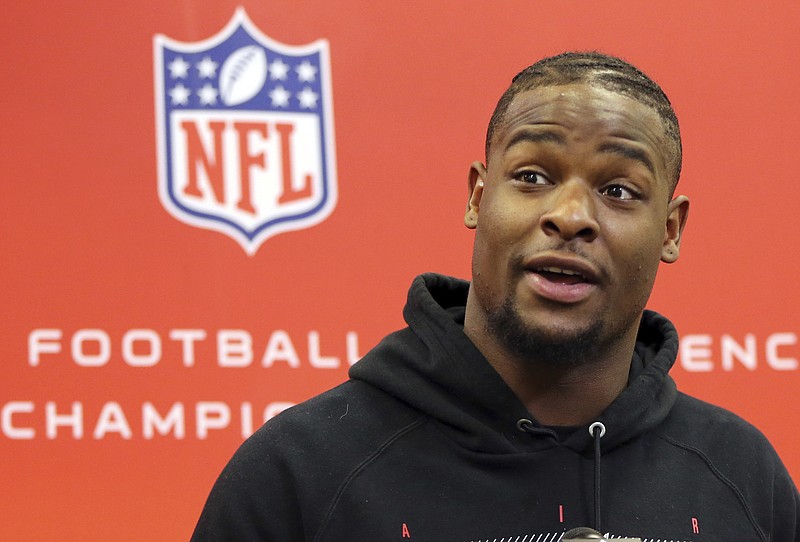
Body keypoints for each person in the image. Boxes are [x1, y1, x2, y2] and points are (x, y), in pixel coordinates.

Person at [191, 52, 800, 541]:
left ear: (670, 230)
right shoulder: (299, 472)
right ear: (479, 197)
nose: (569, 216)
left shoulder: (743, 476)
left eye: (618, 190)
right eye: (532, 177)